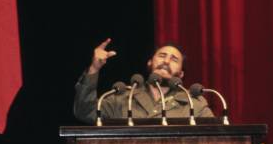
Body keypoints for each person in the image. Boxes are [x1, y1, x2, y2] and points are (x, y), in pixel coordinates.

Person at [74, 38, 214, 124]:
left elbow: (216, 135)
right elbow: (85, 112)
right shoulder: (123, 97)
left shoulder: (194, 103)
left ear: (181, 73)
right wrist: (94, 68)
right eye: (162, 55)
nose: (166, 61)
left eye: (174, 59)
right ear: (149, 63)